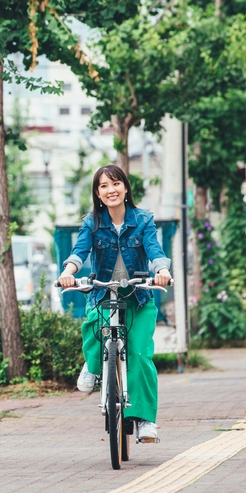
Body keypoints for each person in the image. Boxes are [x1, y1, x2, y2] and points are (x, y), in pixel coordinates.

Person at [58, 164, 172, 442]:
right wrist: (68, 273)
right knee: (94, 323)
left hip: (138, 296)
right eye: (104, 186)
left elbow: (154, 249)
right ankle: (93, 364)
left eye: (116, 183)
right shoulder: (92, 223)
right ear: (97, 193)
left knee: (140, 355)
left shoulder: (143, 220)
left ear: (125, 187)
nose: (111, 190)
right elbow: (79, 251)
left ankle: (145, 420)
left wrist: (162, 271)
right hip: (104, 293)